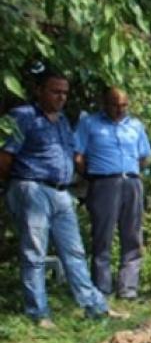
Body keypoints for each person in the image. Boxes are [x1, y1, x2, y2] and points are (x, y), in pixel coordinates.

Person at [0, 69, 121, 328]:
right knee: (34, 252)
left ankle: (94, 306)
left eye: (64, 93)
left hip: (61, 191)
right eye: (55, 91)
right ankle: (39, 313)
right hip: (32, 188)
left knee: (75, 250)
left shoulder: (63, 120)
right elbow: (5, 158)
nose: (61, 97)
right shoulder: (23, 117)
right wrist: (19, 184)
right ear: (39, 91)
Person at [74, 87, 151, 299]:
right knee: (102, 236)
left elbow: (145, 156)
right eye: (115, 105)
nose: (119, 110)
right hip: (103, 182)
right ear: (104, 103)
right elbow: (78, 156)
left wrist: (135, 171)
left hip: (132, 181)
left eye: (124, 105)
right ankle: (101, 288)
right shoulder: (89, 123)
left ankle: (128, 288)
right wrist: (92, 176)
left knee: (133, 236)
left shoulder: (135, 126)